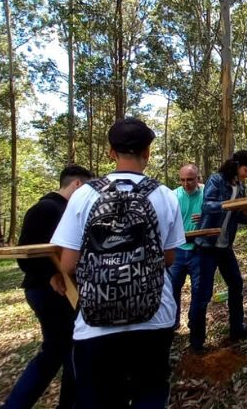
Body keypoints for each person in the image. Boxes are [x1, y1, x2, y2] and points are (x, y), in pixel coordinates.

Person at [50, 117, 185, 408]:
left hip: (97, 323)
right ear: (148, 152)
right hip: (154, 316)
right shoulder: (164, 195)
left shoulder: (84, 195)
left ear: (111, 152)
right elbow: (169, 257)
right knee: (150, 393)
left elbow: (69, 263)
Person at [2, 164, 94, 409]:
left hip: (65, 292)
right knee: (62, 352)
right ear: (77, 184)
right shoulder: (46, 209)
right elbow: (25, 255)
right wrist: (51, 274)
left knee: (65, 351)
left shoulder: (65, 209)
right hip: (48, 292)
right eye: (87, 189)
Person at [189, 150, 247, 354]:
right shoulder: (217, 180)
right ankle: (196, 343)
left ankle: (237, 329)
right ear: (237, 165)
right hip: (207, 246)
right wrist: (229, 204)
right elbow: (207, 206)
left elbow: (240, 215)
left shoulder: (241, 186)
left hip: (224, 246)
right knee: (203, 294)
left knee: (236, 284)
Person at [169, 163, 204, 329]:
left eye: (190, 179)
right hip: (178, 250)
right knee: (173, 287)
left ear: (198, 178)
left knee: (199, 290)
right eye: (182, 180)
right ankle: (173, 322)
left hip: (199, 249)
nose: (186, 183)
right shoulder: (173, 195)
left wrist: (205, 216)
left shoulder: (206, 194)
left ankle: (194, 322)